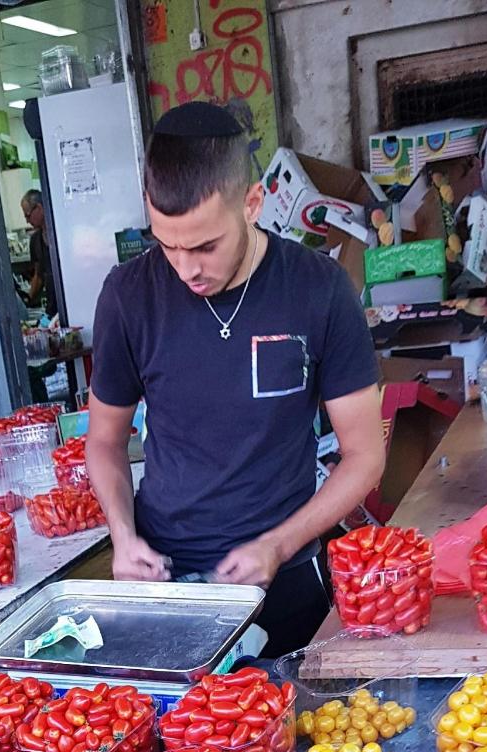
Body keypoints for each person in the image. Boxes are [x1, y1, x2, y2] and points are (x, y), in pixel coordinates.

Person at [85, 102, 384, 656]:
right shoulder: (129, 296)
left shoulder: (317, 290)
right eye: (166, 244)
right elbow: (104, 441)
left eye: (204, 246)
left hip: (285, 580)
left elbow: (365, 455)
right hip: (164, 584)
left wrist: (278, 544)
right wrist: (122, 538)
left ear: (252, 203)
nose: (185, 268)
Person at [21, 189, 57, 318]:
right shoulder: (35, 240)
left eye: (28, 215)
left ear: (40, 208)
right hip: (52, 308)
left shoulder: (60, 232)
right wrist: (27, 299)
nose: (27, 221)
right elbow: (39, 275)